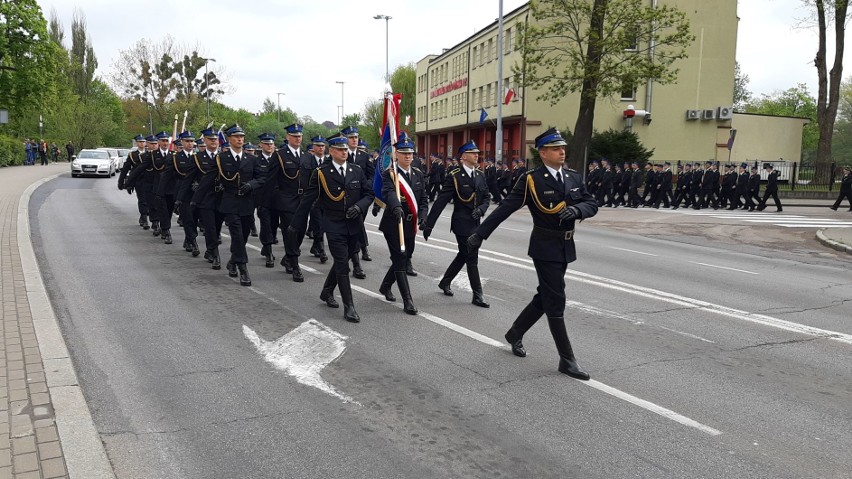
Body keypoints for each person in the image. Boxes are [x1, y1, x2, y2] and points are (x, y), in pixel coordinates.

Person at [467, 128, 598, 380]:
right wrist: (480, 234)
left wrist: (578, 210)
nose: (562, 152)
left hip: (566, 246)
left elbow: (592, 203)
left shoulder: (572, 177)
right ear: (543, 153)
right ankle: (567, 359)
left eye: (563, 148)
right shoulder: (531, 180)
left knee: (546, 295)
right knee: (556, 299)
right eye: (556, 148)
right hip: (544, 246)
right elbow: (505, 208)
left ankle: (515, 332)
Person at [290, 133, 375, 323]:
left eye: (346, 149)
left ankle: (327, 291)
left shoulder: (356, 170)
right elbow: (308, 200)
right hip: (334, 223)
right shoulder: (322, 173)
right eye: (340, 149)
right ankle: (349, 306)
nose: (345, 152)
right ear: (332, 151)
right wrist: (296, 224)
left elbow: (369, 194)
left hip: (354, 224)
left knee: (343, 259)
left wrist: (359, 207)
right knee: (342, 263)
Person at [422, 140, 491, 308]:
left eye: (477, 153)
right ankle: (477, 294)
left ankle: (445, 282)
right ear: (464, 156)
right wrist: (429, 224)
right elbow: (441, 201)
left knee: (464, 255)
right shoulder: (455, 176)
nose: (477, 155)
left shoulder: (480, 175)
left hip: (476, 223)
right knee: (471, 257)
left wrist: (481, 209)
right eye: (473, 153)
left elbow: (487, 197)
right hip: (461, 224)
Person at [377, 133, 429, 315]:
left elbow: (423, 199)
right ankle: (408, 301)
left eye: (410, 153)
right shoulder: (390, 174)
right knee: (400, 260)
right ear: (396, 154)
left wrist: (423, 216)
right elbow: (388, 192)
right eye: (404, 153)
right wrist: (396, 206)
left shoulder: (418, 175)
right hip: (394, 224)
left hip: (410, 225)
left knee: (405, 257)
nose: (408, 156)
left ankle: (385, 286)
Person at [215, 124, 265, 286]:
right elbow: (211, 179)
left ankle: (233, 261)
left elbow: (262, 178)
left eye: (242, 137)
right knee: (236, 234)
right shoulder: (221, 158)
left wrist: (251, 185)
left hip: (246, 202)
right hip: (229, 202)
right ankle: (243, 269)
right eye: (236, 137)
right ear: (229, 139)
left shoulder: (251, 159)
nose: (240, 140)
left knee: (243, 235)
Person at [186, 127, 225, 269]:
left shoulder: (224, 157)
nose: (213, 141)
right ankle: (215, 253)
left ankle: (210, 250)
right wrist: (182, 199)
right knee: (209, 227)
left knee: (218, 226)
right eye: (210, 139)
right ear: (205, 141)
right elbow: (188, 180)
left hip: (221, 197)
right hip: (205, 197)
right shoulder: (197, 158)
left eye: (215, 139)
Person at [342, 125, 375, 266]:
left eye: (356, 137)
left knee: (358, 223)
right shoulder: (342, 154)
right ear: (346, 139)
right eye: (351, 137)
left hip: (362, 198)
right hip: (346, 197)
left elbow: (371, 174)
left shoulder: (364, 156)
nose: (354, 140)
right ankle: (360, 255)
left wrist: (366, 185)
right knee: (356, 225)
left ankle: (360, 249)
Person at [125, 134, 165, 237]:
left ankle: (164, 226)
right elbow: (136, 170)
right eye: (151, 143)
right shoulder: (144, 156)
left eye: (155, 143)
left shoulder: (166, 156)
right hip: (145, 183)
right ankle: (153, 222)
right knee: (148, 202)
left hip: (161, 184)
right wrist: (129, 183)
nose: (154, 145)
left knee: (161, 205)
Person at [303, 135, 330, 265]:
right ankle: (322, 250)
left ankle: (315, 246)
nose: (321, 148)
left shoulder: (329, 162)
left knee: (323, 225)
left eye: (323, 146)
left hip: (327, 199)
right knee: (318, 224)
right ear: (313, 147)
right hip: (313, 199)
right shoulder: (307, 161)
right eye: (318, 146)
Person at [118, 135, 150, 229]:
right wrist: (122, 182)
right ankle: (144, 218)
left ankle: (144, 216)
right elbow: (126, 169)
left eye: (143, 142)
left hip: (149, 180)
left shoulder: (150, 153)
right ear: (136, 143)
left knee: (149, 200)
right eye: (140, 142)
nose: (142, 144)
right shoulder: (132, 155)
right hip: (138, 180)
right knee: (142, 199)